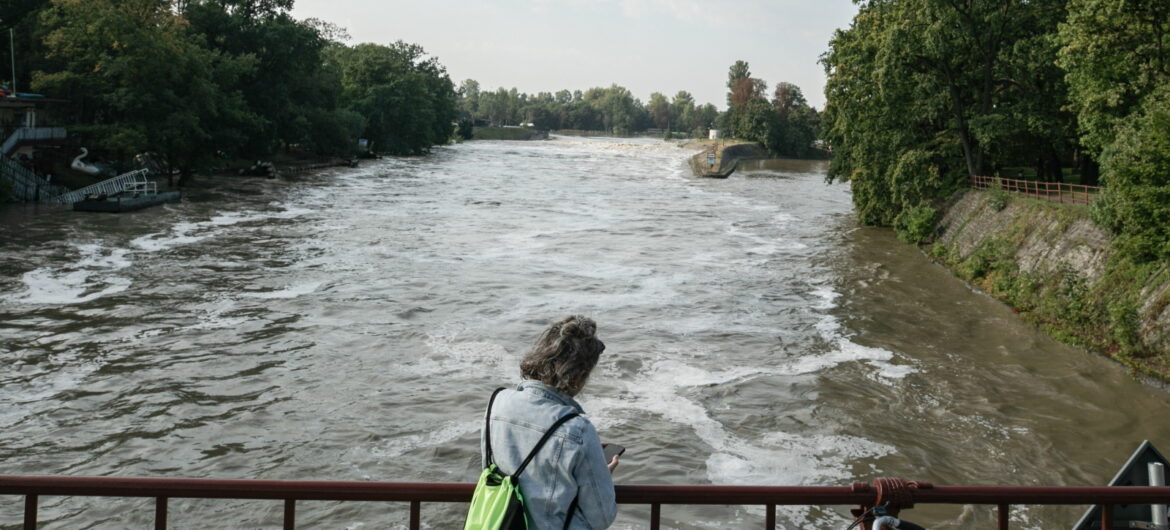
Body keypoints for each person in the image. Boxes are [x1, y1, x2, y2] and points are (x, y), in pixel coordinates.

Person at [481, 315, 619, 529]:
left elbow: (491, 475)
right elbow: (601, 516)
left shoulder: (497, 402)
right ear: (580, 375)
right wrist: (602, 475)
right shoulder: (578, 430)